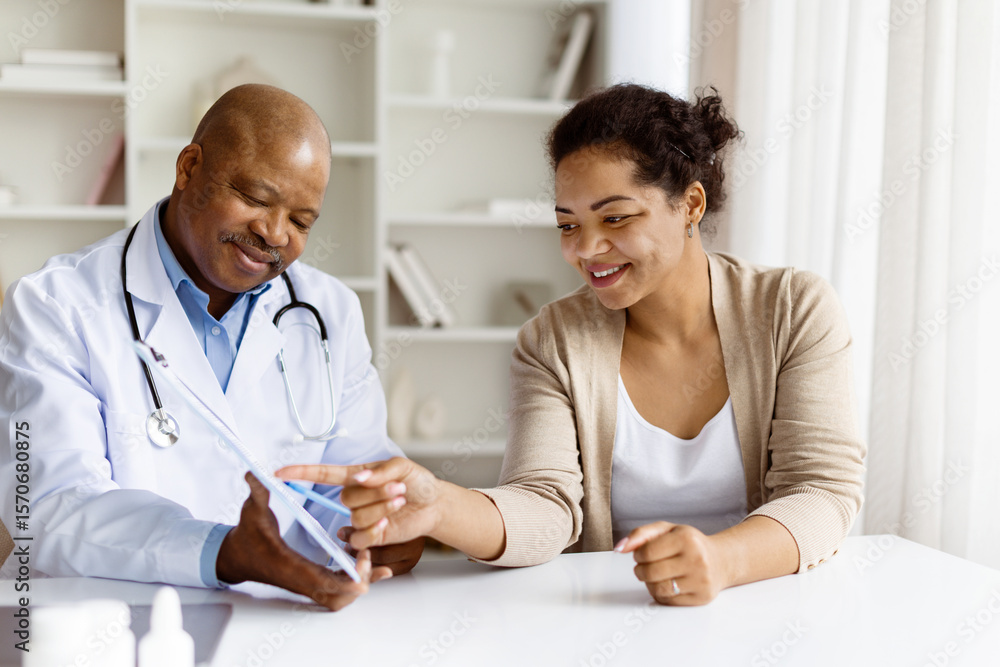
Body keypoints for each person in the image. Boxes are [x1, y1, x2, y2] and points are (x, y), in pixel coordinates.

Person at [277, 83, 866, 606]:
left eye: (615, 219)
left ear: (690, 204)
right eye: (567, 224)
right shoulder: (552, 340)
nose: (585, 249)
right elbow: (544, 503)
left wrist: (721, 561)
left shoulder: (791, 309)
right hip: (618, 618)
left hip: (772, 609)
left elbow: (822, 491)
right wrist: (442, 506)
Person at [0, 84, 422, 610]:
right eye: (256, 199)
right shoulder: (54, 304)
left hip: (281, 617)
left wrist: (377, 524)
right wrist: (222, 552)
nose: (274, 233)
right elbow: (49, 506)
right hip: (109, 625)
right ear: (189, 167)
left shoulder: (330, 312)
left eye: (300, 221)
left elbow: (354, 475)